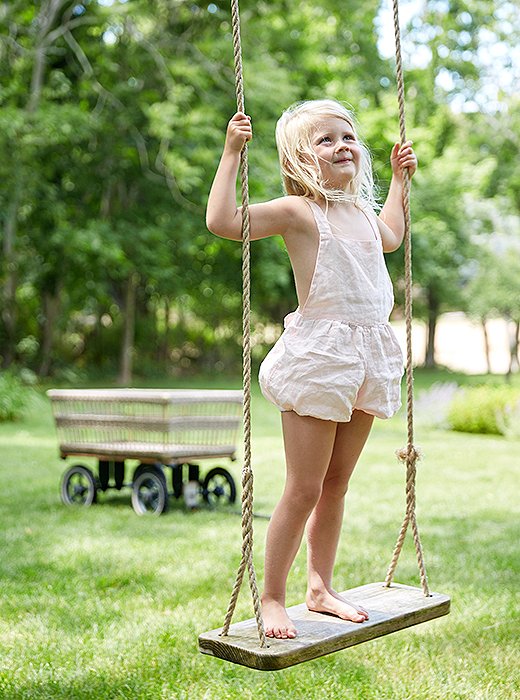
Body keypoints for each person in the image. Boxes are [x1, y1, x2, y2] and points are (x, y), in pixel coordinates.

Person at [206, 99, 417, 640]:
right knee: (303, 487)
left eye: (347, 136)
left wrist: (398, 182)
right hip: (321, 359)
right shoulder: (300, 213)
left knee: (337, 484)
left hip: (368, 357)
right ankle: (272, 597)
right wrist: (232, 153)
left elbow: (391, 236)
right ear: (300, 158)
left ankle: (320, 587)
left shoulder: (364, 216)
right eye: (325, 140)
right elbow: (223, 222)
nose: (342, 145)